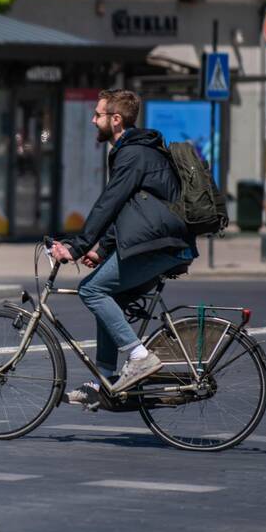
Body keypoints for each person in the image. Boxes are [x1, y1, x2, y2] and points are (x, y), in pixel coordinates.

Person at [49, 89, 196, 406]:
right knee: (107, 293)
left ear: (115, 120)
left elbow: (109, 204)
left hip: (162, 244)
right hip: (160, 241)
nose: (92, 120)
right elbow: (130, 209)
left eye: (98, 115)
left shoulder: (133, 154)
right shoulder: (137, 151)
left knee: (92, 290)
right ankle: (105, 381)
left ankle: (139, 357)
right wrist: (101, 250)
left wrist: (75, 247)